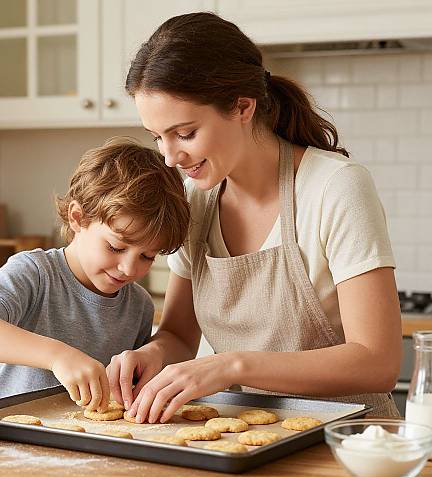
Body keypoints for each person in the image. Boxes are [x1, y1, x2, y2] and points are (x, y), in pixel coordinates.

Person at [106, 12, 402, 421]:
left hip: (347, 443)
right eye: (158, 137)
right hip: (243, 443)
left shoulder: (335, 187)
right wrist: (148, 356)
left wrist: (232, 365)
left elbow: (378, 363)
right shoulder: (196, 200)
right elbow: (178, 334)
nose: (170, 157)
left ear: (242, 106)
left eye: (185, 134)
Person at [0, 138, 190, 411]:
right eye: (115, 247)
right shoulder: (35, 273)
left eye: (147, 256)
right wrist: (57, 356)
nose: (129, 269)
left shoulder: (138, 305)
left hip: (87, 444)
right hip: (12, 440)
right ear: (78, 217)